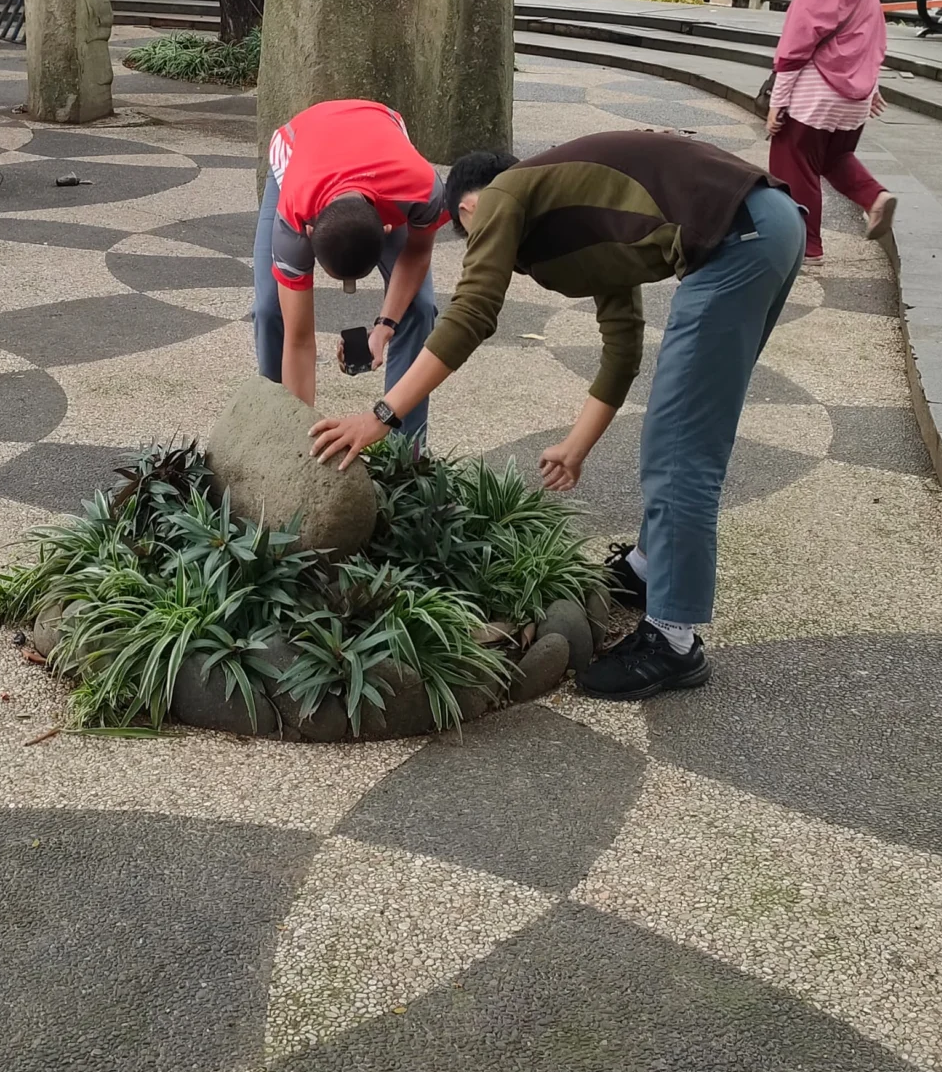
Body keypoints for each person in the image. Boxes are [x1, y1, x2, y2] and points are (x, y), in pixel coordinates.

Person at [310, 131, 804, 701]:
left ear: (467, 210)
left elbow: (473, 310)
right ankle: (647, 569)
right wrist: (576, 444)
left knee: (679, 447)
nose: (487, 251)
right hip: (765, 223)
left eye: (472, 239)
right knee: (687, 430)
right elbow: (623, 344)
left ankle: (673, 640)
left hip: (738, 237)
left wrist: (382, 415)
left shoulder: (499, 198)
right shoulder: (583, 213)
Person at [255, 99, 446, 446]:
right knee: (271, 309)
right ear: (309, 233)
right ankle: (276, 433)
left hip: (382, 139)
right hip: (299, 146)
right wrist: (302, 447)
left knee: (419, 307)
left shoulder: (421, 188)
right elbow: (300, 341)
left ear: (388, 227)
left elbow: (417, 253)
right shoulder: (295, 215)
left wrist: (384, 329)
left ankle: (407, 453)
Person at [769, 0, 897, 261]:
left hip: (812, 98)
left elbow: (793, 54)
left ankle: (807, 246)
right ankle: (876, 197)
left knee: (794, 165)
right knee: (835, 157)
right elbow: (874, 46)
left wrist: (776, 105)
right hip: (855, 100)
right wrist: (871, 88)